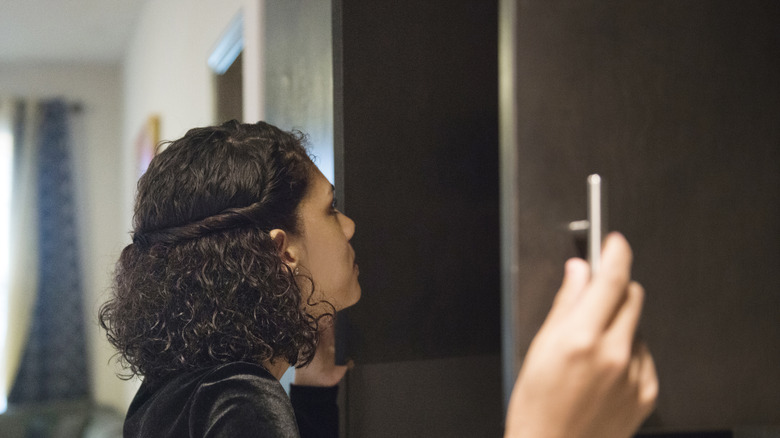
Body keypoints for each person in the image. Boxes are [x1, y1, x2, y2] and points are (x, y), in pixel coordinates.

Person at [99, 120, 657, 438]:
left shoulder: (170, 397)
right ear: (281, 251)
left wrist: (314, 394)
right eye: (330, 209)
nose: (350, 224)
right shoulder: (241, 406)